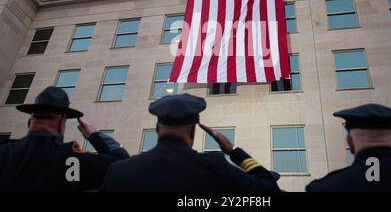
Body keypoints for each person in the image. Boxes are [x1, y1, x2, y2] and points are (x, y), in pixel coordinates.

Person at [100, 93, 281, 192]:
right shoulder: (215, 167)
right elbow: (268, 188)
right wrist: (233, 150)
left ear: (157, 128)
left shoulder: (119, 171)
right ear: (193, 130)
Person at [0, 86, 129, 192]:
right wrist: (94, 135)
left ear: (29, 122)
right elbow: (122, 163)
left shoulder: (4, 153)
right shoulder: (72, 160)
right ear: (61, 124)